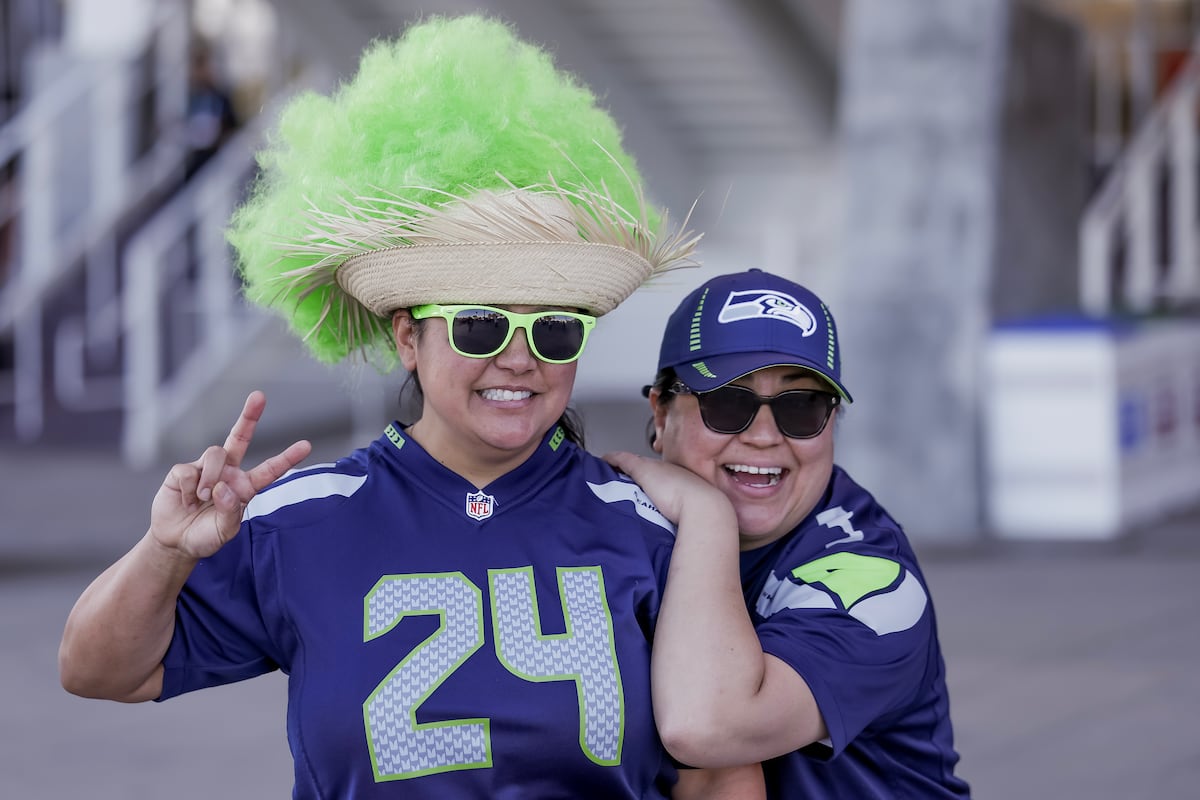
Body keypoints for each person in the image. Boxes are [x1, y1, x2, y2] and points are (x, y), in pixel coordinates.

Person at [57, 16, 759, 799]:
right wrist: (166, 550)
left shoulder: (646, 530)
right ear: (407, 338)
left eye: (554, 328)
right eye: (480, 324)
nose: (519, 357)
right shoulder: (301, 520)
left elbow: (718, 774)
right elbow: (96, 669)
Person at [606, 268, 971, 798]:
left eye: (802, 407)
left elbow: (707, 727)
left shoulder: (876, 587)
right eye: (728, 403)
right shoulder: (628, 528)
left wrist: (707, 514)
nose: (762, 436)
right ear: (660, 413)